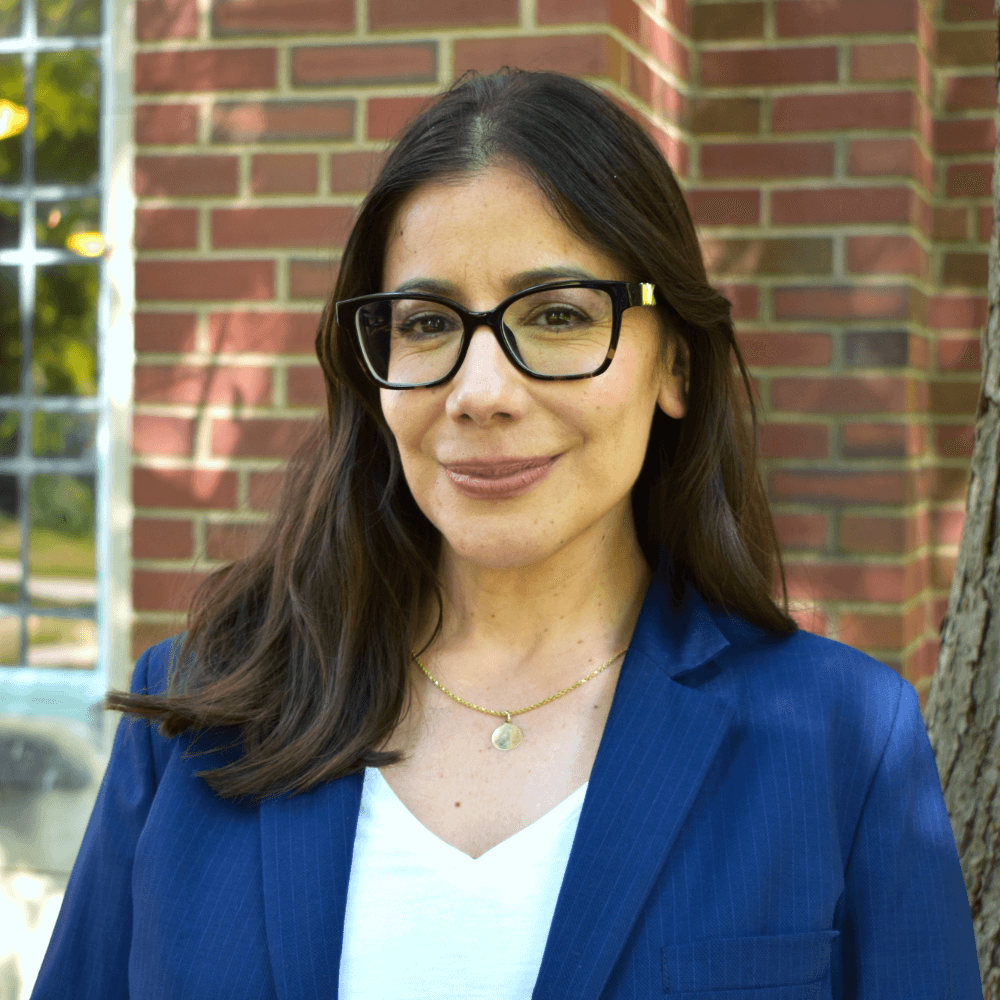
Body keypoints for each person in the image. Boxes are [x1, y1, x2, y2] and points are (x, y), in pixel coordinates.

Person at [31, 69, 981, 1000]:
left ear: (675, 366)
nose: (480, 393)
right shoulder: (196, 716)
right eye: (427, 321)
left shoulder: (841, 742)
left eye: (559, 314)